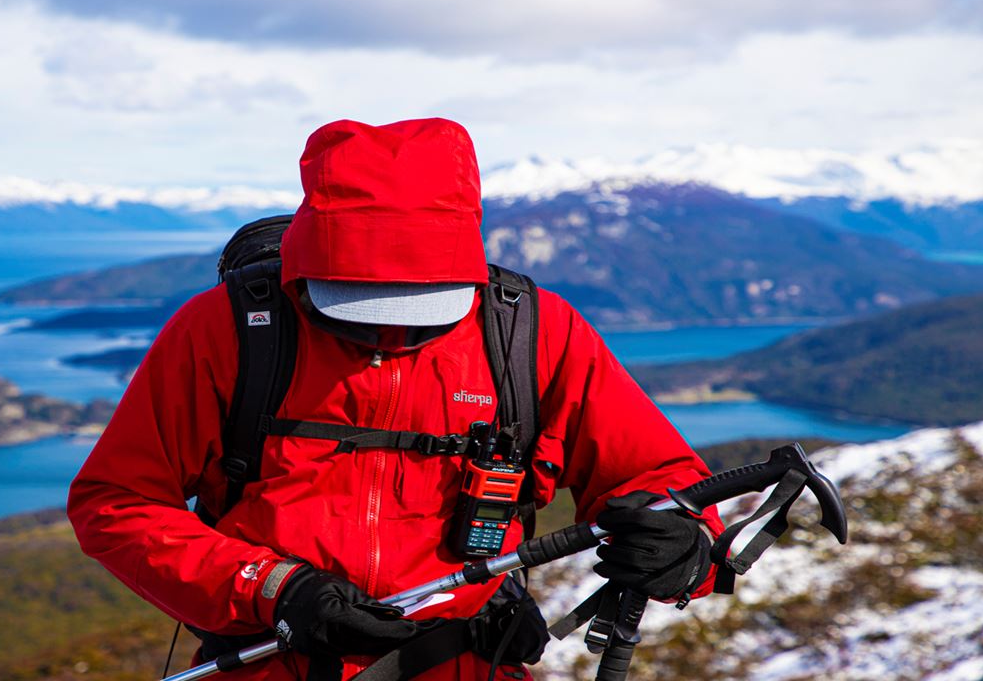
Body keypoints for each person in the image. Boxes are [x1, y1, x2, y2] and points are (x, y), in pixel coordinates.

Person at [68, 118, 723, 681]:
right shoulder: (227, 331)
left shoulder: (531, 331)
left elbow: (654, 474)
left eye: (419, 311)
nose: (392, 331)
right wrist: (271, 587)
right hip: (274, 657)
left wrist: (682, 544)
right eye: (360, 306)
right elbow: (116, 502)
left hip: (472, 660)